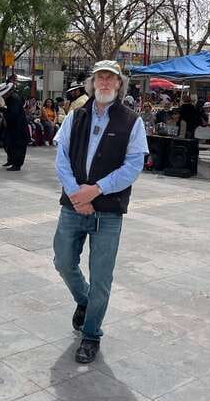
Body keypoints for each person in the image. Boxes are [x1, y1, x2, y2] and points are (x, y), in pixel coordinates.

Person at [54, 60, 147, 364]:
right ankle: (84, 300)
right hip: (73, 207)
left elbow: (133, 166)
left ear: (119, 84)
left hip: (108, 211)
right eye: (100, 77)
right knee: (63, 261)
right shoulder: (76, 116)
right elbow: (61, 157)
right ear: (92, 83)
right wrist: (77, 194)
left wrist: (96, 190)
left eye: (111, 78)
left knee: (102, 276)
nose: (105, 82)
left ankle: (91, 334)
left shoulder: (132, 121)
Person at [0, 80, 29, 171]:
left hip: (18, 126)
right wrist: (4, 110)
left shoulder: (14, 99)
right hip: (12, 126)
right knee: (7, 142)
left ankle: (17, 164)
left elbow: (14, 114)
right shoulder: (10, 98)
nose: (2, 96)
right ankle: (11, 160)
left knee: (17, 145)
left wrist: (5, 113)